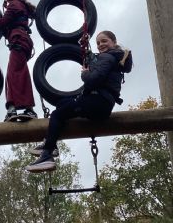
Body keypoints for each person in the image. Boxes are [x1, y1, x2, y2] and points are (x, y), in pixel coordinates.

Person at [26, 30, 132, 172]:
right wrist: (86, 50)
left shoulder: (107, 57)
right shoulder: (113, 58)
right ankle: (51, 143)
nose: (100, 44)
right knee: (63, 103)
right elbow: (97, 66)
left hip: (98, 102)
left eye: (104, 41)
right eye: (98, 43)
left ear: (114, 42)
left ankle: (47, 154)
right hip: (102, 102)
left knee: (57, 114)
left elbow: (94, 79)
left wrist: (85, 74)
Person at [0, 0, 38, 122]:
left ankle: (13, 108)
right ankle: (28, 108)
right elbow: (7, 26)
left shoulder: (14, 5)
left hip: (19, 40)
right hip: (23, 41)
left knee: (13, 73)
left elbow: (3, 22)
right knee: (21, 72)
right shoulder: (21, 6)